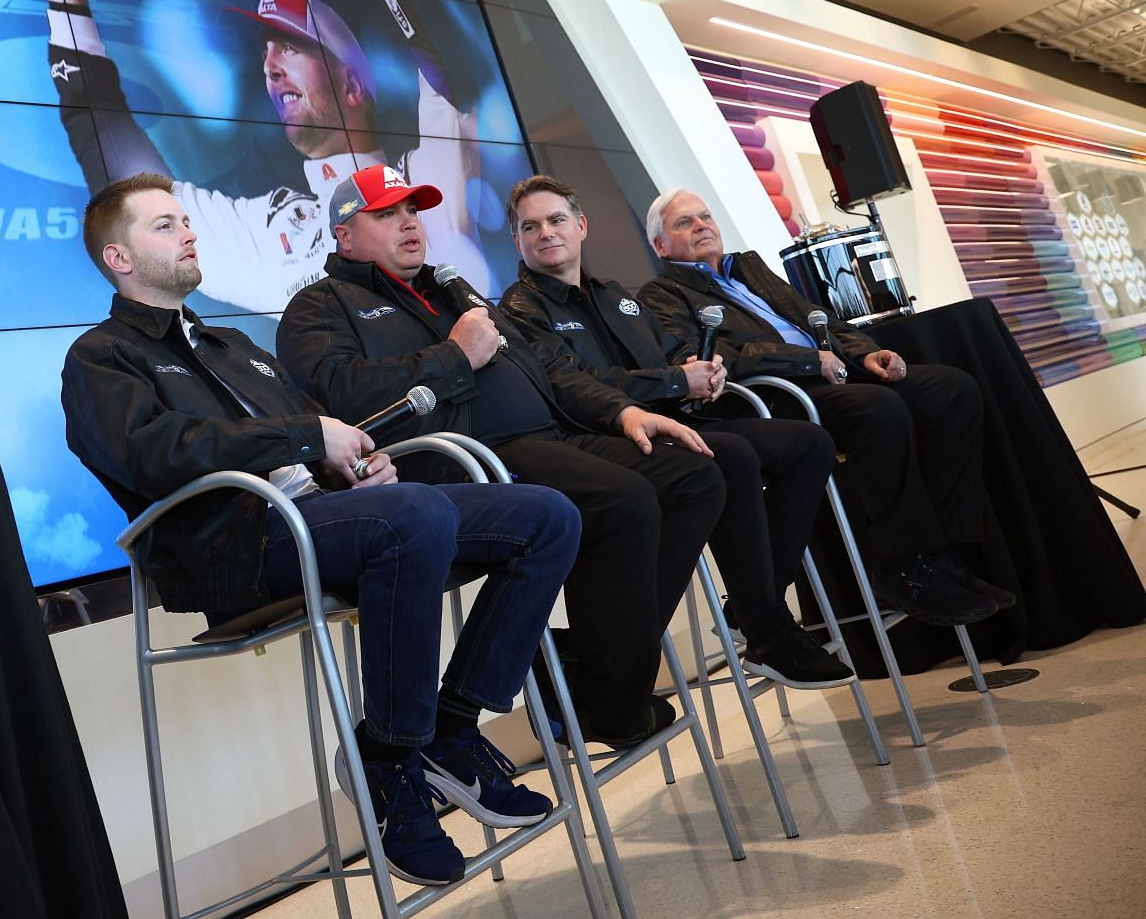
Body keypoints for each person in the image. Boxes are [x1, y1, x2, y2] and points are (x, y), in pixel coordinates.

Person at [61, 173, 580, 888]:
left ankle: (453, 727)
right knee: (420, 513)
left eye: (186, 219)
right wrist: (309, 438)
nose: (188, 231)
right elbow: (149, 453)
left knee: (546, 515)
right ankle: (391, 754)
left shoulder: (229, 343)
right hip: (237, 543)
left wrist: (355, 468)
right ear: (118, 259)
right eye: (163, 225)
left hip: (321, 519)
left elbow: (324, 440)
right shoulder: (99, 356)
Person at [276, 164, 727, 747]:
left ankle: (594, 662)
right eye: (386, 214)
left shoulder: (447, 287)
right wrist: (453, 356)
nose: (409, 224)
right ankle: (611, 702)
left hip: (551, 435)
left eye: (413, 210)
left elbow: (552, 367)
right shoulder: (318, 307)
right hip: (471, 460)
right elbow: (342, 396)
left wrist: (623, 411)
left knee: (695, 476)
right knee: (624, 501)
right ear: (343, 235)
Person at [31, 0, 490, 313]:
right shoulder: (275, 234)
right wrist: (67, 1)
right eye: (265, 52)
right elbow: (126, 187)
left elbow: (432, 38)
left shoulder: (427, 178)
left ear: (353, 85)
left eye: (290, 47)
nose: (269, 66)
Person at [500, 175, 853, 689]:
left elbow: (668, 355)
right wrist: (671, 379)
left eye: (556, 220)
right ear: (517, 241)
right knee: (728, 456)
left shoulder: (614, 295)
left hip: (674, 417)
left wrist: (699, 373)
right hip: (606, 437)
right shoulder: (520, 309)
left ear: (581, 225)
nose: (545, 233)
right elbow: (572, 387)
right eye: (530, 227)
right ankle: (768, 627)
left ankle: (758, 602)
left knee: (807, 443)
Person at [639, 188, 1012, 625]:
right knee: (878, 408)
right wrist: (808, 360)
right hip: (778, 395)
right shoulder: (661, 295)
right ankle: (904, 564)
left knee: (951, 389)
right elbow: (717, 360)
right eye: (685, 223)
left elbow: (822, 320)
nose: (702, 225)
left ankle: (943, 554)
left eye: (705, 216)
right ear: (661, 246)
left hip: (831, 376)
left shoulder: (748, 269)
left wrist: (865, 353)